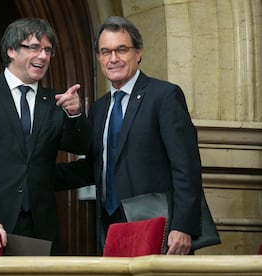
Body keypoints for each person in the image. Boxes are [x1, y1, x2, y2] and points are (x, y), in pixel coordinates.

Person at [57, 16, 203, 255]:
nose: (113, 58)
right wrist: (34, 175)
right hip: (110, 226)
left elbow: (186, 166)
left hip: (158, 226)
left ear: (139, 52)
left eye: (121, 50)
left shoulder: (164, 96)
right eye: (105, 52)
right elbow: (95, 167)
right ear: (99, 58)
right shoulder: (99, 108)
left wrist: (183, 225)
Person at [0, 17, 91, 254]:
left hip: (39, 227)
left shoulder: (55, 101)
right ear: (11, 51)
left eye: (48, 50)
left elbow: (80, 146)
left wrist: (75, 115)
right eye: (34, 47)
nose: (43, 56)